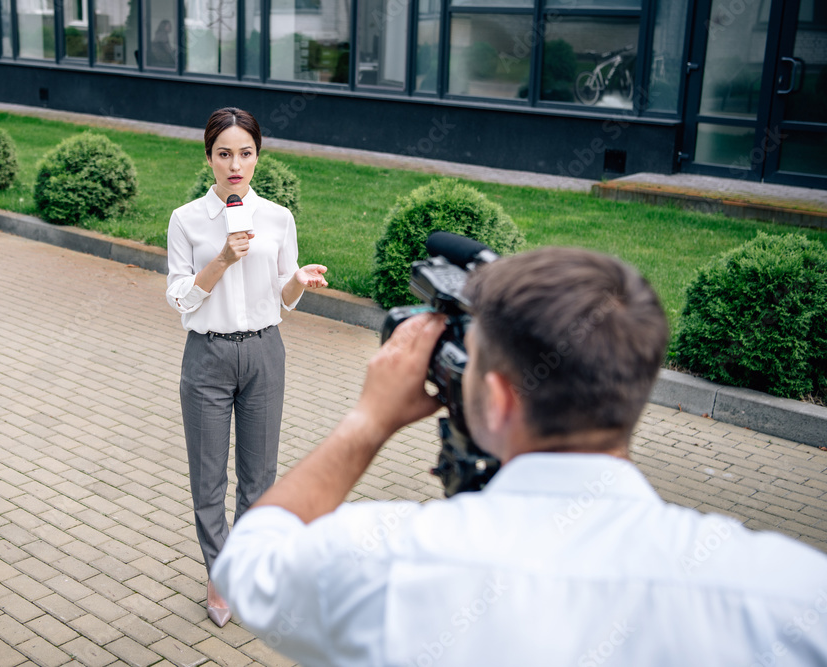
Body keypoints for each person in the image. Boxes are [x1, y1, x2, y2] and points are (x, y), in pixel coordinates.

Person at [211, 246, 827, 664]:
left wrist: (368, 421)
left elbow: (247, 562)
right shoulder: (787, 593)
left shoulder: (388, 559)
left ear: (500, 400)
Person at [166, 107, 328, 628]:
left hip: (263, 352)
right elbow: (180, 301)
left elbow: (282, 299)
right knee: (208, 478)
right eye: (224, 153)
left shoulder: (278, 217)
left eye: (246, 153)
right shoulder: (187, 219)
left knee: (259, 477)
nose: (235, 164)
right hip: (207, 356)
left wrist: (299, 279)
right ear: (209, 156)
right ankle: (219, 574)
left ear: (258, 155)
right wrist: (221, 261)